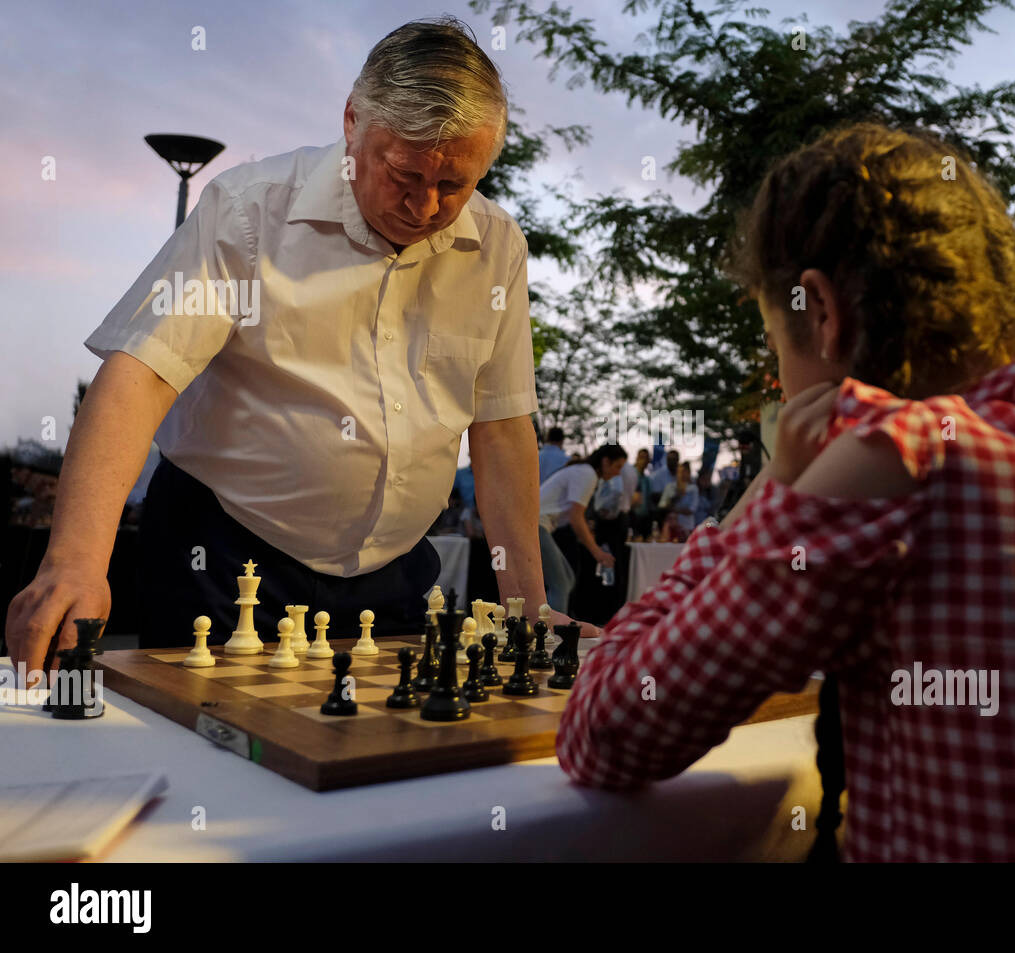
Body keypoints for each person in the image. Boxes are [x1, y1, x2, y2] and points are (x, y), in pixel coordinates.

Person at [556, 122, 1015, 861]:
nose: (781, 382)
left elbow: (607, 731)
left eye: (777, 344)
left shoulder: (893, 460)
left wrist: (773, 489)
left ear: (821, 311)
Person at [5, 19, 596, 666]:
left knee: (383, 757)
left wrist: (526, 609)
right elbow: (141, 374)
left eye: (453, 185)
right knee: (211, 761)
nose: (425, 206)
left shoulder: (499, 245)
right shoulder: (248, 210)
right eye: (403, 174)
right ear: (352, 121)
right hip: (225, 558)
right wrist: (77, 561)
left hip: (394, 573)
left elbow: (502, 425)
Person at [537, 445, 625, 613]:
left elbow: (575, 516)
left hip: (540, 525)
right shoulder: (587, 474)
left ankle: (544, 624)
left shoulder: (583, 471)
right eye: (617, 466)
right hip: (536, 525)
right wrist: (597, 552)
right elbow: (575, 517)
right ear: (605, 462)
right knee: (560, 585)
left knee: (567, 580)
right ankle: (552, 634)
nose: (618, 473)